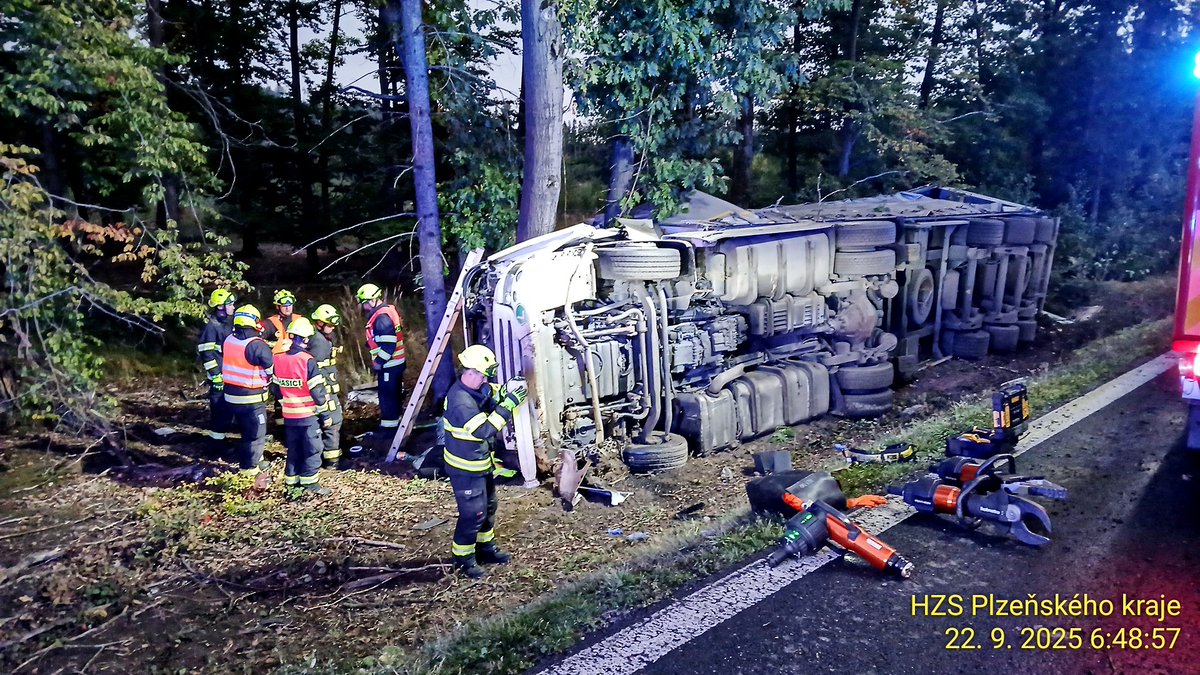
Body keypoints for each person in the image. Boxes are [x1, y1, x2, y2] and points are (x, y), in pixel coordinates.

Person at [441, 345, 528, 578]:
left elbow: (490, 394)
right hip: (465, 469)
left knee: (489, 508)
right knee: (473, 515)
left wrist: (505, 392)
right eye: (481, 374)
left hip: (480, 464)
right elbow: (484, 430)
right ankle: (463, 560)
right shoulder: (460, 402)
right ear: (468, 372)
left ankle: (485, 549)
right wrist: (508, 405)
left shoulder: (475, 389)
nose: (484, 379)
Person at [270, 317, 333, 495]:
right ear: (306, 339)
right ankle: (310, 484)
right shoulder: (307, 361)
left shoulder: (279, 359)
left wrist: (285, 405)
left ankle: (291, 484)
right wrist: (325, 415)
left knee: (294, 449)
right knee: (313, 449)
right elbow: (318, 393)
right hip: (308, 415)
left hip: (290, 416)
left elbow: (276, 389)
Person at [222, 305, 275, 476]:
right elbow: (270, 367)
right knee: (256, 434)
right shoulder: (256, 345)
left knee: (245, 431)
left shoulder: (229, 339)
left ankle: (256, 459)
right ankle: (249, 470)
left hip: (231, 396)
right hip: (251, 397)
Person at [355, 283, 406, 453]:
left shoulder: (381, 318)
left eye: (363, 303)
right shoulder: (387, 311)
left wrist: (379, 362)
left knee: (388, 398)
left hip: (389, 366)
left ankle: (389, 431)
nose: (362, 307)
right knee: (394, 395)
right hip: (397, 363)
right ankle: (395, 424)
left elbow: (388, 344)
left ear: (369, 301)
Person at [197, 289, 236, 448]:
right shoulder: (212, 326)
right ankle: (216, 444)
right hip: (219, 375)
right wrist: (216, 375)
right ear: (221, 307)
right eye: (230, 304)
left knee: (228, 409)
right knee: (220, 409)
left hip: (229, 373)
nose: (233, 306)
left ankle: (222, 438)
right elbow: (206, 353)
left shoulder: (229, 322)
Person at [309, 304, 344, 468]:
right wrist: (323, 393)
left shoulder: (324, 338)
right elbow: (315, 370)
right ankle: (331, 463)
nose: (332, 327)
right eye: (328, 324)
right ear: (319, 323)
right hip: (324, 390)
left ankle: (328, 459)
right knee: (333, 421)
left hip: (327, 388)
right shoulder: (319, 342)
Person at [262, 289, 297, 355]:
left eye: (290, 305)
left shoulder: (300, 320)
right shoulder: (270, 323)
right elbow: (259, 340)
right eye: (284, 306)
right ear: (277, 307)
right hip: (277, 359)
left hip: (295, 358)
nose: (288, 308)